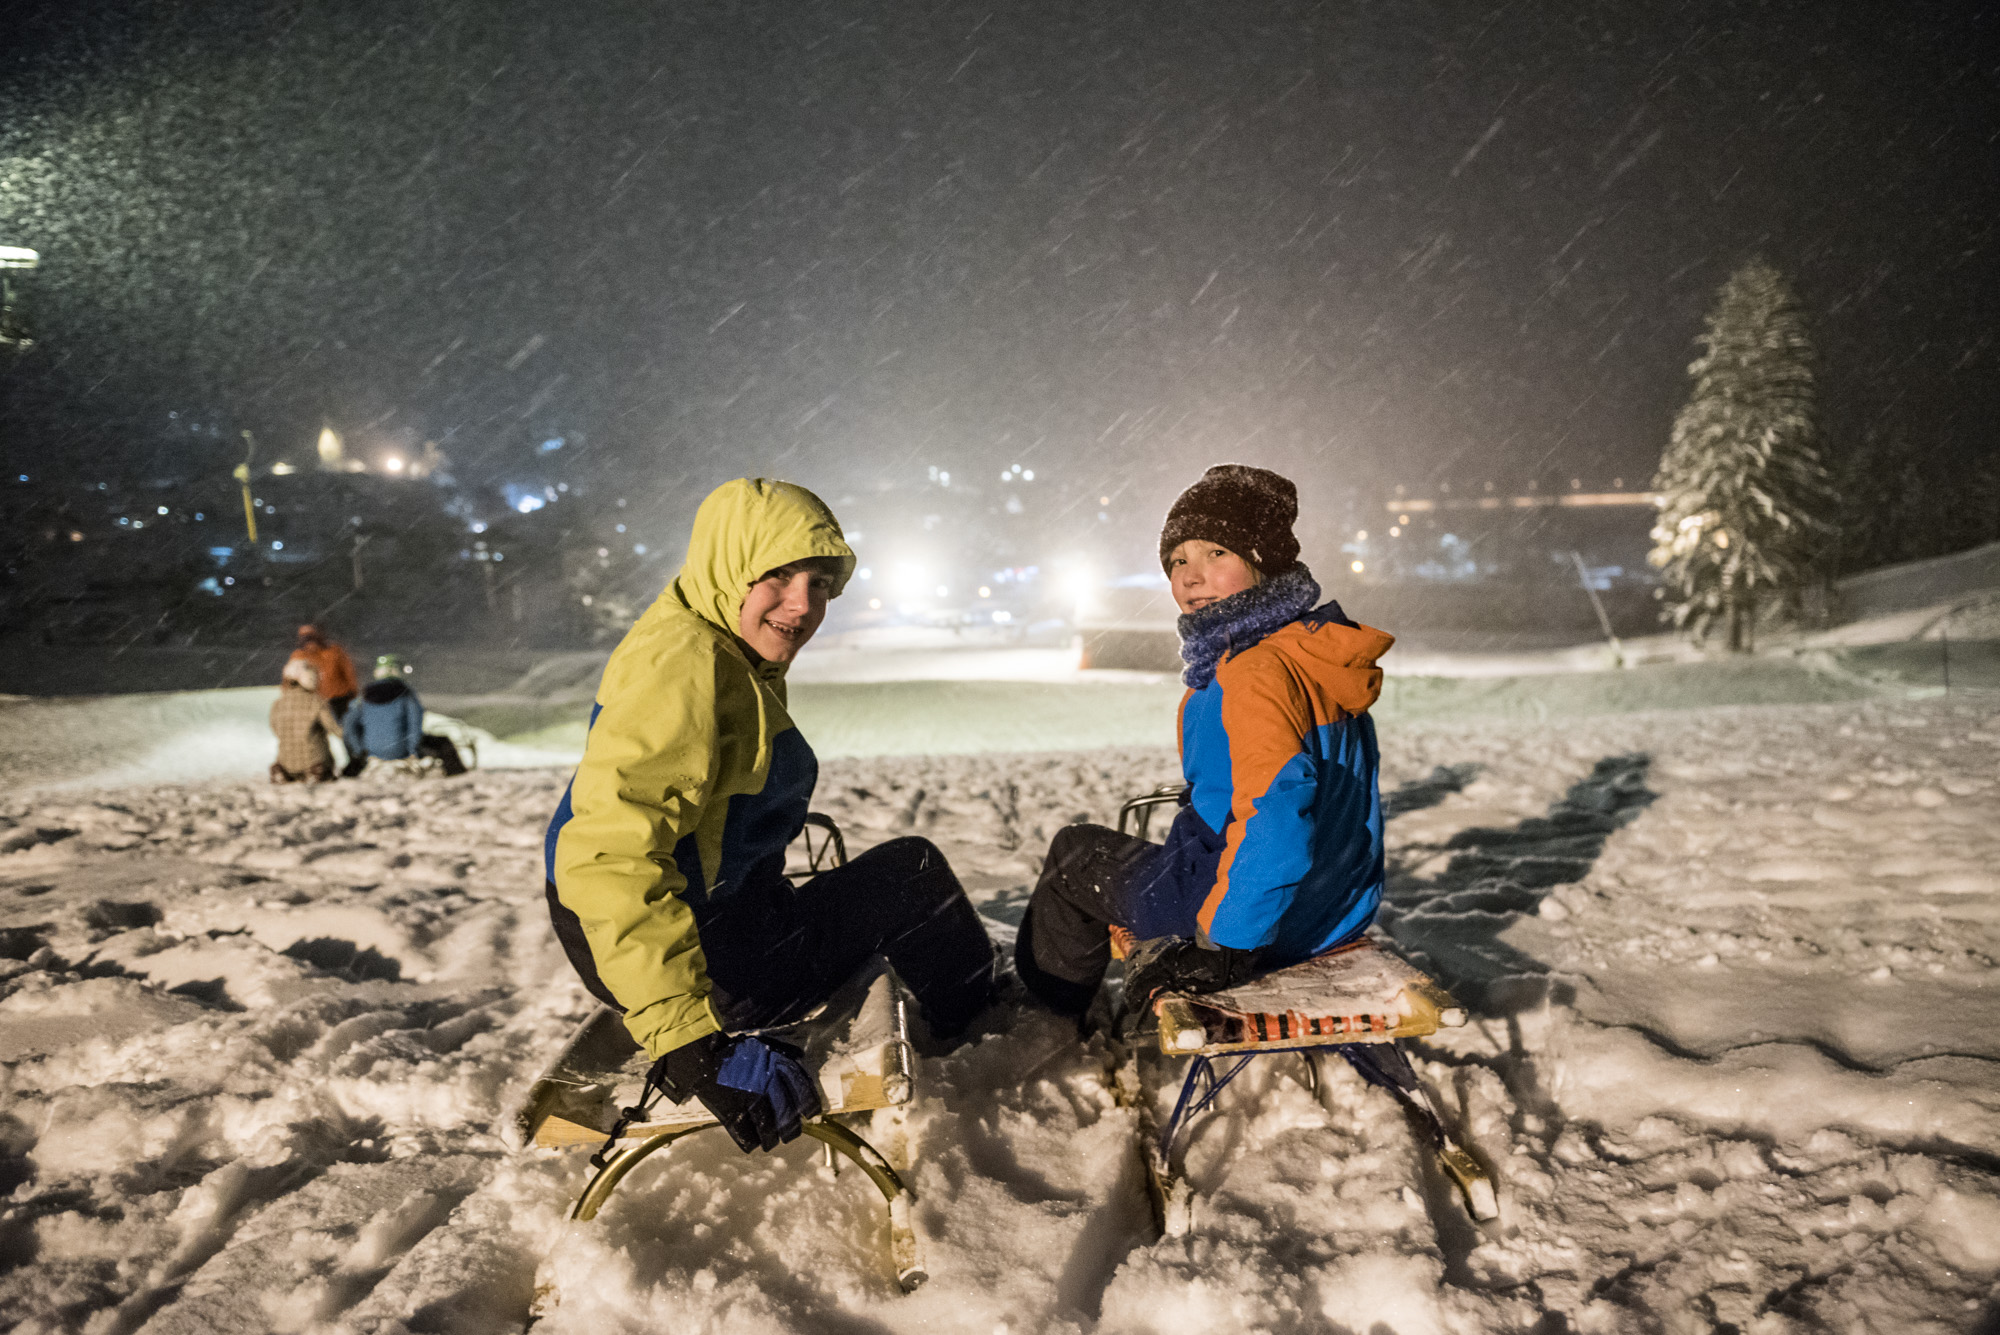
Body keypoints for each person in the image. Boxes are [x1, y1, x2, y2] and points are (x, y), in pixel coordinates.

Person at [544, 478, 997, 1155]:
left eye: (818, 582)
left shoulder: (716, 641)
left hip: (712, 921)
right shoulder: (684, 666)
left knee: (905, 872)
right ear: (730, 566)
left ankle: (971, 1012)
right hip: (690, 958)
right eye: (778, 575)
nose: (802, 603)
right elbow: (608, 854)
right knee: (913, 876)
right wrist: (690, 1042)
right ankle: (993, 1045)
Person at [1014, 464, 1395, 1020]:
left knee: (1075, 855)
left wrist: (1226, 943)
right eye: (1177, 561)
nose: (1190, 577)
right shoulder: (1311, 653)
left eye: (1216, 553)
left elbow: (1279, 814)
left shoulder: (1253, 671)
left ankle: (1049, 1020)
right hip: (1333, 906)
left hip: (1245, 919)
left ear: (1264, 562)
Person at [341, 655, 466, 777]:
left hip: (372, 751)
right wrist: (413, 751)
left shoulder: (364, 697)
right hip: (401, 750)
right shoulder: (406, 694)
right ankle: (457, 776)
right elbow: (415, 724)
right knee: (443, 743)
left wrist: (360, 750)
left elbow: (348, 725)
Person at [269, 658, 344, 783]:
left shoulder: (278, 704)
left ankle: (282, 771)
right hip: (315, 765)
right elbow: (335, 729)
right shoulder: (316, 701)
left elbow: (275, 729)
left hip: (286, 764)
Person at [290, 624, 360, 721]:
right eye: (305, 638)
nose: (309, 642)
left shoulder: (334, 651)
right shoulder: (298, 656)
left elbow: (349, 672)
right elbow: (290, 681)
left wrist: (353, 691)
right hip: (314, 701)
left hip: (339, 699)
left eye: (311, 637)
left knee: (342, 728)